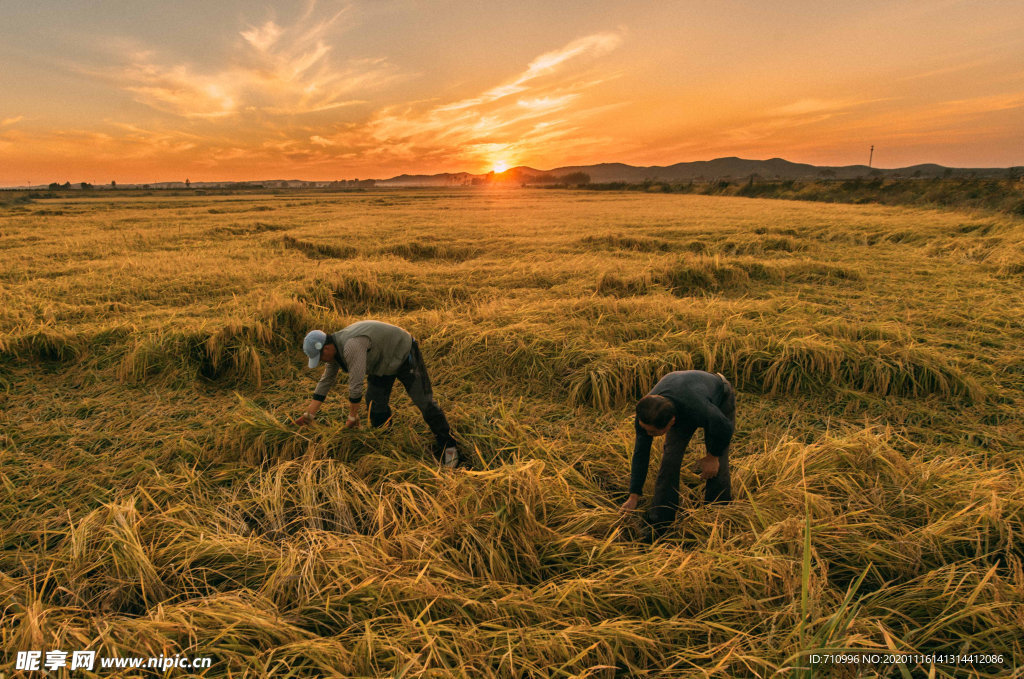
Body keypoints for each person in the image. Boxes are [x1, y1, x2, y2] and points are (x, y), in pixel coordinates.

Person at [294, 320, 468, 468]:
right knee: (374, 403)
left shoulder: (351, 346)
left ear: (326, 348)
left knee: (423, 400)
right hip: (382, 363)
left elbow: (356, 385)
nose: (322, 361)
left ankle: (449, 446)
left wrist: (353, 416)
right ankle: (385, 442)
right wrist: (309, 415)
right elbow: (325, 382)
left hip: (403, 352)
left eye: (320, 357)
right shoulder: (334, 354)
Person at [620, 370, 735, 536]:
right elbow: (641, 453)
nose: (648, 434)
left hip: (718, 396)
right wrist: (634, 495)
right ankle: (660, 521)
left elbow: (724, 427)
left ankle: (717, 515)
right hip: (682, 397)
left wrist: (713, 456)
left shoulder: (700, 409)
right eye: (646, 430)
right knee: (669, 460)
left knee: (717, 464)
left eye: (653, 432)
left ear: (671, 422)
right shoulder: (646, 415)